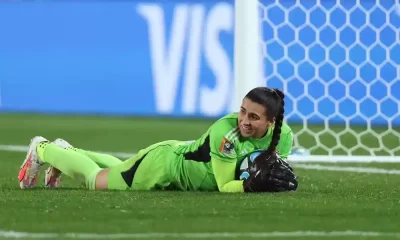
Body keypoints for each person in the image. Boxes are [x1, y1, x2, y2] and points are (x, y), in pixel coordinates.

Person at [18, 87, 298, 193]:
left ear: (271, 122)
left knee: (123, 167)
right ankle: (43, 149)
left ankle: (68, 151)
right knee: (97, 181)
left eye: (254, 117)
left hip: (169, 162)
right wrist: (251, 186)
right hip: (164, 167)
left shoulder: (282, 136)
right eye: (242, 111)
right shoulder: (227, 134)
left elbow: (273, 170)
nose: (244, 121)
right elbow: (225, 186)